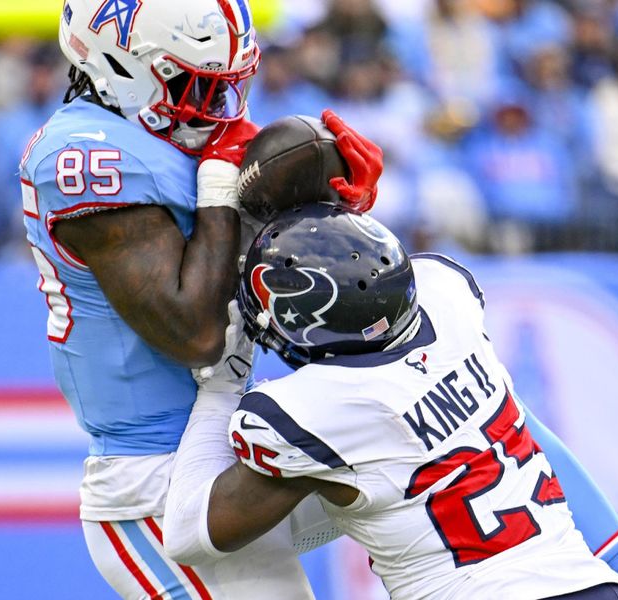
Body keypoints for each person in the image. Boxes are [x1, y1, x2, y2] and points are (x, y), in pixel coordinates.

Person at [19, 1, 378, 597]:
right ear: (119, 64)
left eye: (225, 87)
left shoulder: (158, 130)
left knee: (461, 437)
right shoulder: (83, 157)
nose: (215, 109)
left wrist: (327, 213)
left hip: (234, 437)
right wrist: (219, 192)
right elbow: (194, 333)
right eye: (195, 85)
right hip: (155, 483)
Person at [163, 201, 618, 598]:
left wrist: (223, 385)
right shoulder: (448, 297)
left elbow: (188, 533)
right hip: (596, 584)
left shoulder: (311, 410)